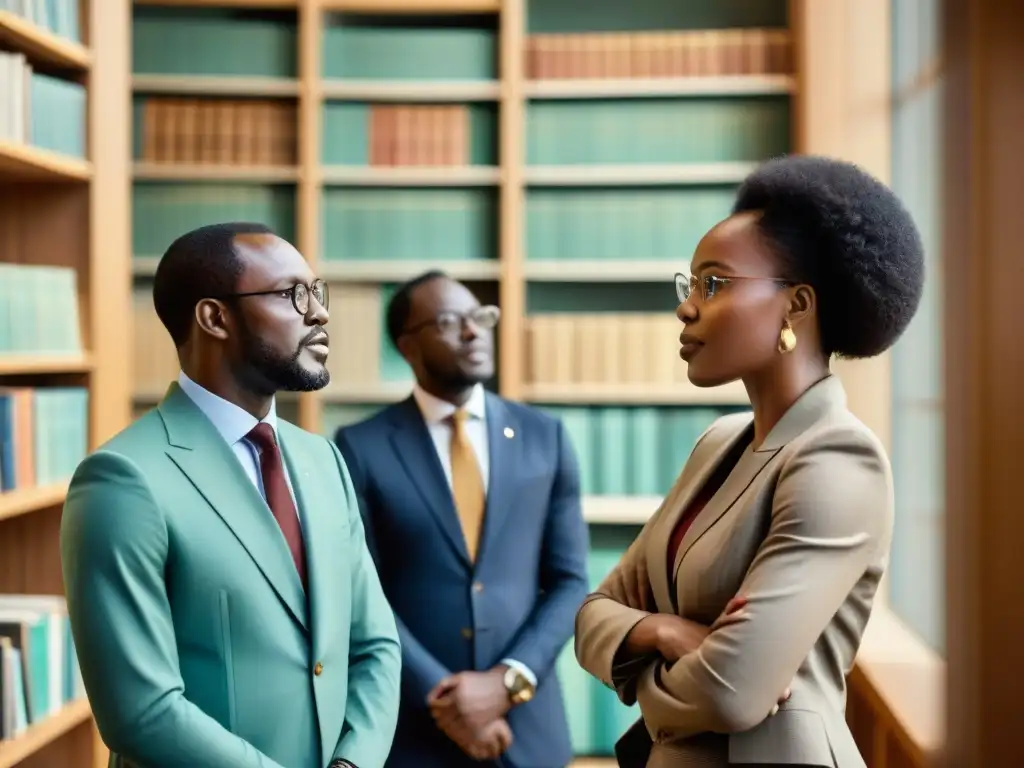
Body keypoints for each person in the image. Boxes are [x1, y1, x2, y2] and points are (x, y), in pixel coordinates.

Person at [574, 155, 925, 767]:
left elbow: (732, 692)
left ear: (795, 306)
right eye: (689, 287)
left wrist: (647, 678)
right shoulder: (719, 442)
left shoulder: (838, 458)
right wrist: (665, 631)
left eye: (713, 284)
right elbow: (593, 614)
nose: (686, 309)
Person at [60, 222, 402, 768]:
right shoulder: (122, 480)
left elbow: (374, 646)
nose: (318, 313)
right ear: (214, 317)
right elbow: (141, 710)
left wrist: (352, 762)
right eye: (292, 294)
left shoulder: (323, 461)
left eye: (317, 291)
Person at [334, 271, 590, 768]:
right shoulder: (359, 447)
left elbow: (570, 580)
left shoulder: (545, 437)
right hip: (412, 730)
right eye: (451, 322)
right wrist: (446, 701)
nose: (474, 332)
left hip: (528, 729)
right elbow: (361, 594)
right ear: (408, 346)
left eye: (480, 317)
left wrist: (507, 682)